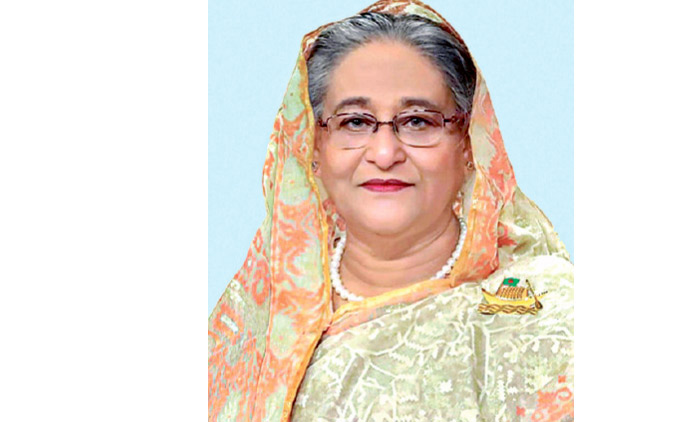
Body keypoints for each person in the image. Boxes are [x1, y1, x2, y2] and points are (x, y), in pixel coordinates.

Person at [208, 1, 573, 421]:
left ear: (469, 144)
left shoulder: (542, 315)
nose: (384, 153)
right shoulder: (258, 312)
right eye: (354, 122)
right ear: (313, 148)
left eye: (418, 121)